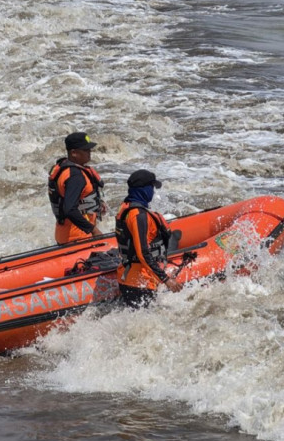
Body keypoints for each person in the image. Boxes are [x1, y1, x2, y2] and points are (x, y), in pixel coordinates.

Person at [115, 169, 183, 308]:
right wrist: (166, 279)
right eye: (151, 187)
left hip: (130, 278)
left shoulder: (125, 208)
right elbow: (143, 253)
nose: (152, 192)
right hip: (141, 283)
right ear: (144, 189)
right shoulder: (138, 216)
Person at [47, 131, 107, 244]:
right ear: (74, 153)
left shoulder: (64, 168)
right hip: (78, 237)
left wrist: (97, 203)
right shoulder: (75, 177)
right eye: (86, 150)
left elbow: (75, 199)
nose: (90, 152)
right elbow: (69, 209)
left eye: (89, 149)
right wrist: (93, 230)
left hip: (65, 234)